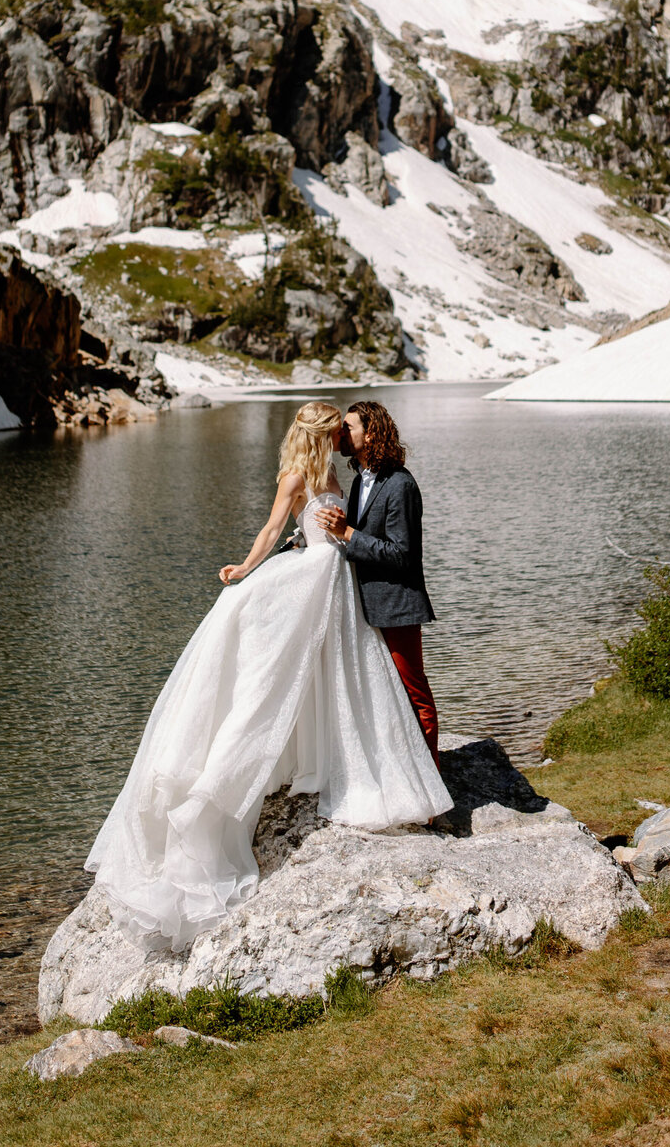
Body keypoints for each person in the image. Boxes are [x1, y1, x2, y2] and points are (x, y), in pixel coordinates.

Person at [85, 400, 450, 950]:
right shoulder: (301, 474)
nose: (341, 439)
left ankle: (398, 783)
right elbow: (275, 527)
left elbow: (348, 535)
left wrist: (339, 535)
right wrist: (246, 568)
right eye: (334, 431)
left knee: (355, 682)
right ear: (318, 434)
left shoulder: (351, 477)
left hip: (342, 589)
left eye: (344, 430)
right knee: (286, 680)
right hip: (316, 582)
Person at [317, 402, 440, 766]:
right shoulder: (360, 481)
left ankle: (433, 778)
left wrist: (349, 532)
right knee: (383, 694)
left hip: (397, 606)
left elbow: (403, 554)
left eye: (347, 427)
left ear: (371, 434)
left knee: (413, 693)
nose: (340, 434)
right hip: (366, 606)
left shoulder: (400, 484)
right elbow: (361, 538)